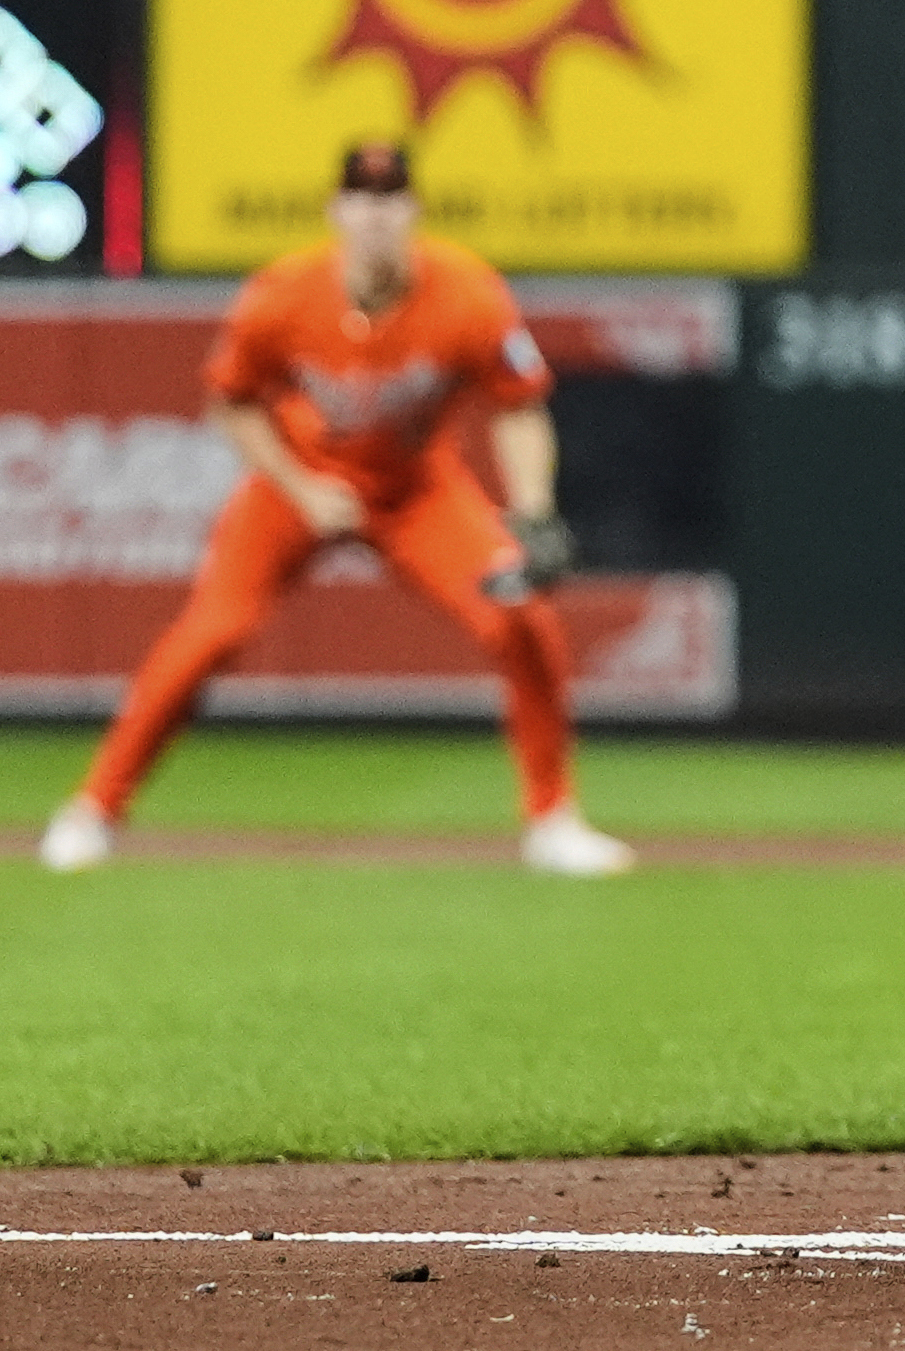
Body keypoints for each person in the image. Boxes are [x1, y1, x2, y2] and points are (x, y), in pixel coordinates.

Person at [35, 141, 631, 878]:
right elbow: (232, 404)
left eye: (389, 199)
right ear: (337, 211)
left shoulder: (467, 293)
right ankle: (94, 807)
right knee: (210, 635)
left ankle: (553, 821)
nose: (376, 215)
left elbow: (518, 406)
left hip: (416, 490)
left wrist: (534, 510)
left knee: (522, 621)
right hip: (300, 484)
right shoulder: (286, 295)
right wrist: (300, 487)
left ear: (412, 210)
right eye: (361, 198)